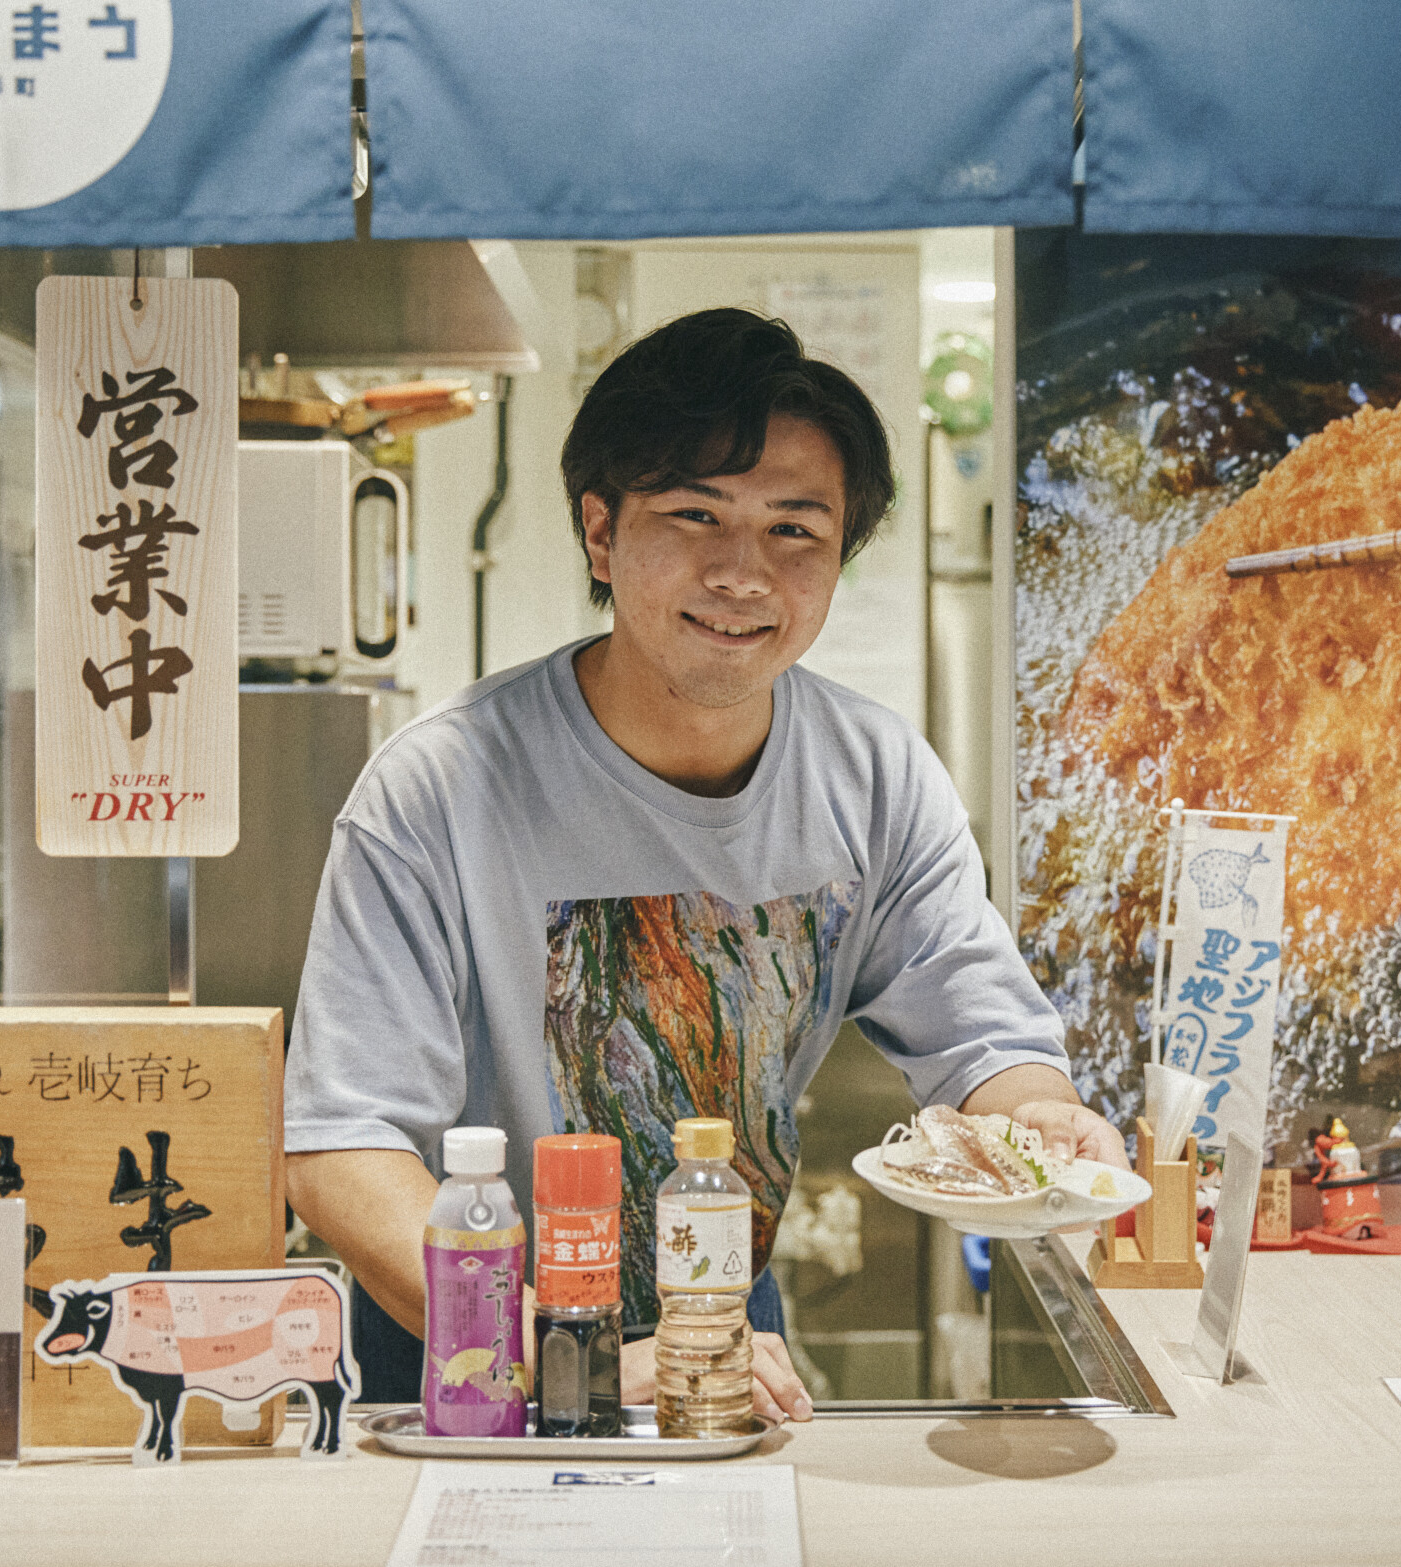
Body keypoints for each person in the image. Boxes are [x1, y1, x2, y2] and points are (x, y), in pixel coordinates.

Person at [284, 307, 1124, 1426]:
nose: (743, 572)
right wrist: (553, 1350)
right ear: (599, 533)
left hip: (724, 1323)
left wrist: (1045, 1123)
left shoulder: (874, 775)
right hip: (466, 1352)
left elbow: (980, 1034)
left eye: (794, 530)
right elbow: (344, 1147)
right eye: (693, 515)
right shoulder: (435, 790)